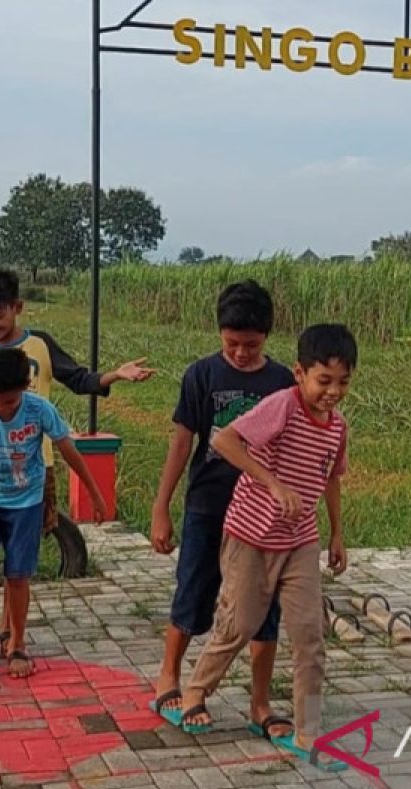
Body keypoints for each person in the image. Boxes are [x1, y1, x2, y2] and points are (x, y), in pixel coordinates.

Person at [0, 267, 154, 653]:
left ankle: (9, 630)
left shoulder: (41, 347)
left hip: (35, 469)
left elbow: (79, 379)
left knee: (20, 560)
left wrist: (116, 375)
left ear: (18, 307)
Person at [178, 323, 356, 768]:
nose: (332, 392)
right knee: (239, 624)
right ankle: (195, 691)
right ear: (299, 372)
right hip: (250, 537)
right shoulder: (282, 406)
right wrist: (272, 483)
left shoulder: (337, 427)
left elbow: (332, 478)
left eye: (343, 383)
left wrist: (336, 533)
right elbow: (224, 439)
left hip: (299, 543)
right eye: (324, 381)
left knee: (310, 638)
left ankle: (308, 734)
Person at [148, 280, 296, 742]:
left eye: (250, 345)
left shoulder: (282, 383)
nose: (240, 353)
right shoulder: (201, 376)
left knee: (262, 609)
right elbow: (181, 442)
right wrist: (162, 507)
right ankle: (168, 677)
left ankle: (260, 703)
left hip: (261, 518)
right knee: (193, 590)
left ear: (267, 338)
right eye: (231, 343)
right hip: (208, 507)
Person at [0, 347, 107, 682]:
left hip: (27, 502)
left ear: (26, 386)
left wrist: (95, 493)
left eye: (9, 402)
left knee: (18, 575)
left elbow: (69, 451)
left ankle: (16, 643)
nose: (1, 408)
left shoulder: (39, 410)